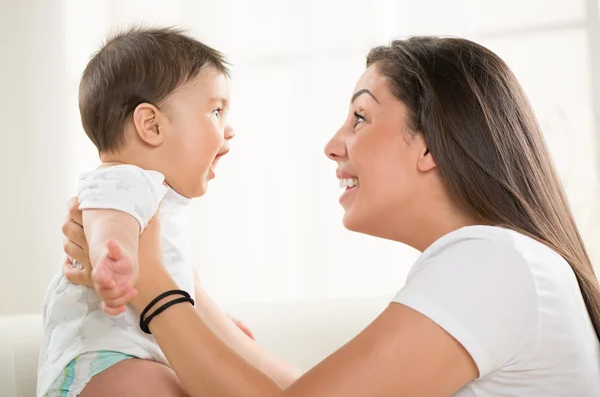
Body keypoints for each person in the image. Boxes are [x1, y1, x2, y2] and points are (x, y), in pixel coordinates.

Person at [62, 36, 600, 396]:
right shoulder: (497, 263)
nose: (332, 145)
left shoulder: (492, 262)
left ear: (430, 145)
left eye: (361, 116)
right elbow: (304, 392)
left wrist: (153, 288)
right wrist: (185, 287)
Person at [38, 27, 297, 397]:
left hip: (137, 354)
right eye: (216, 111)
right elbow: (106, 226)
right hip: (103, 361)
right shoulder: (123, 179)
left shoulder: (154, 193)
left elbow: (172, 279)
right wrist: (116, 260)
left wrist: (210, 327)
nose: (230, 130)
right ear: (152, 125)